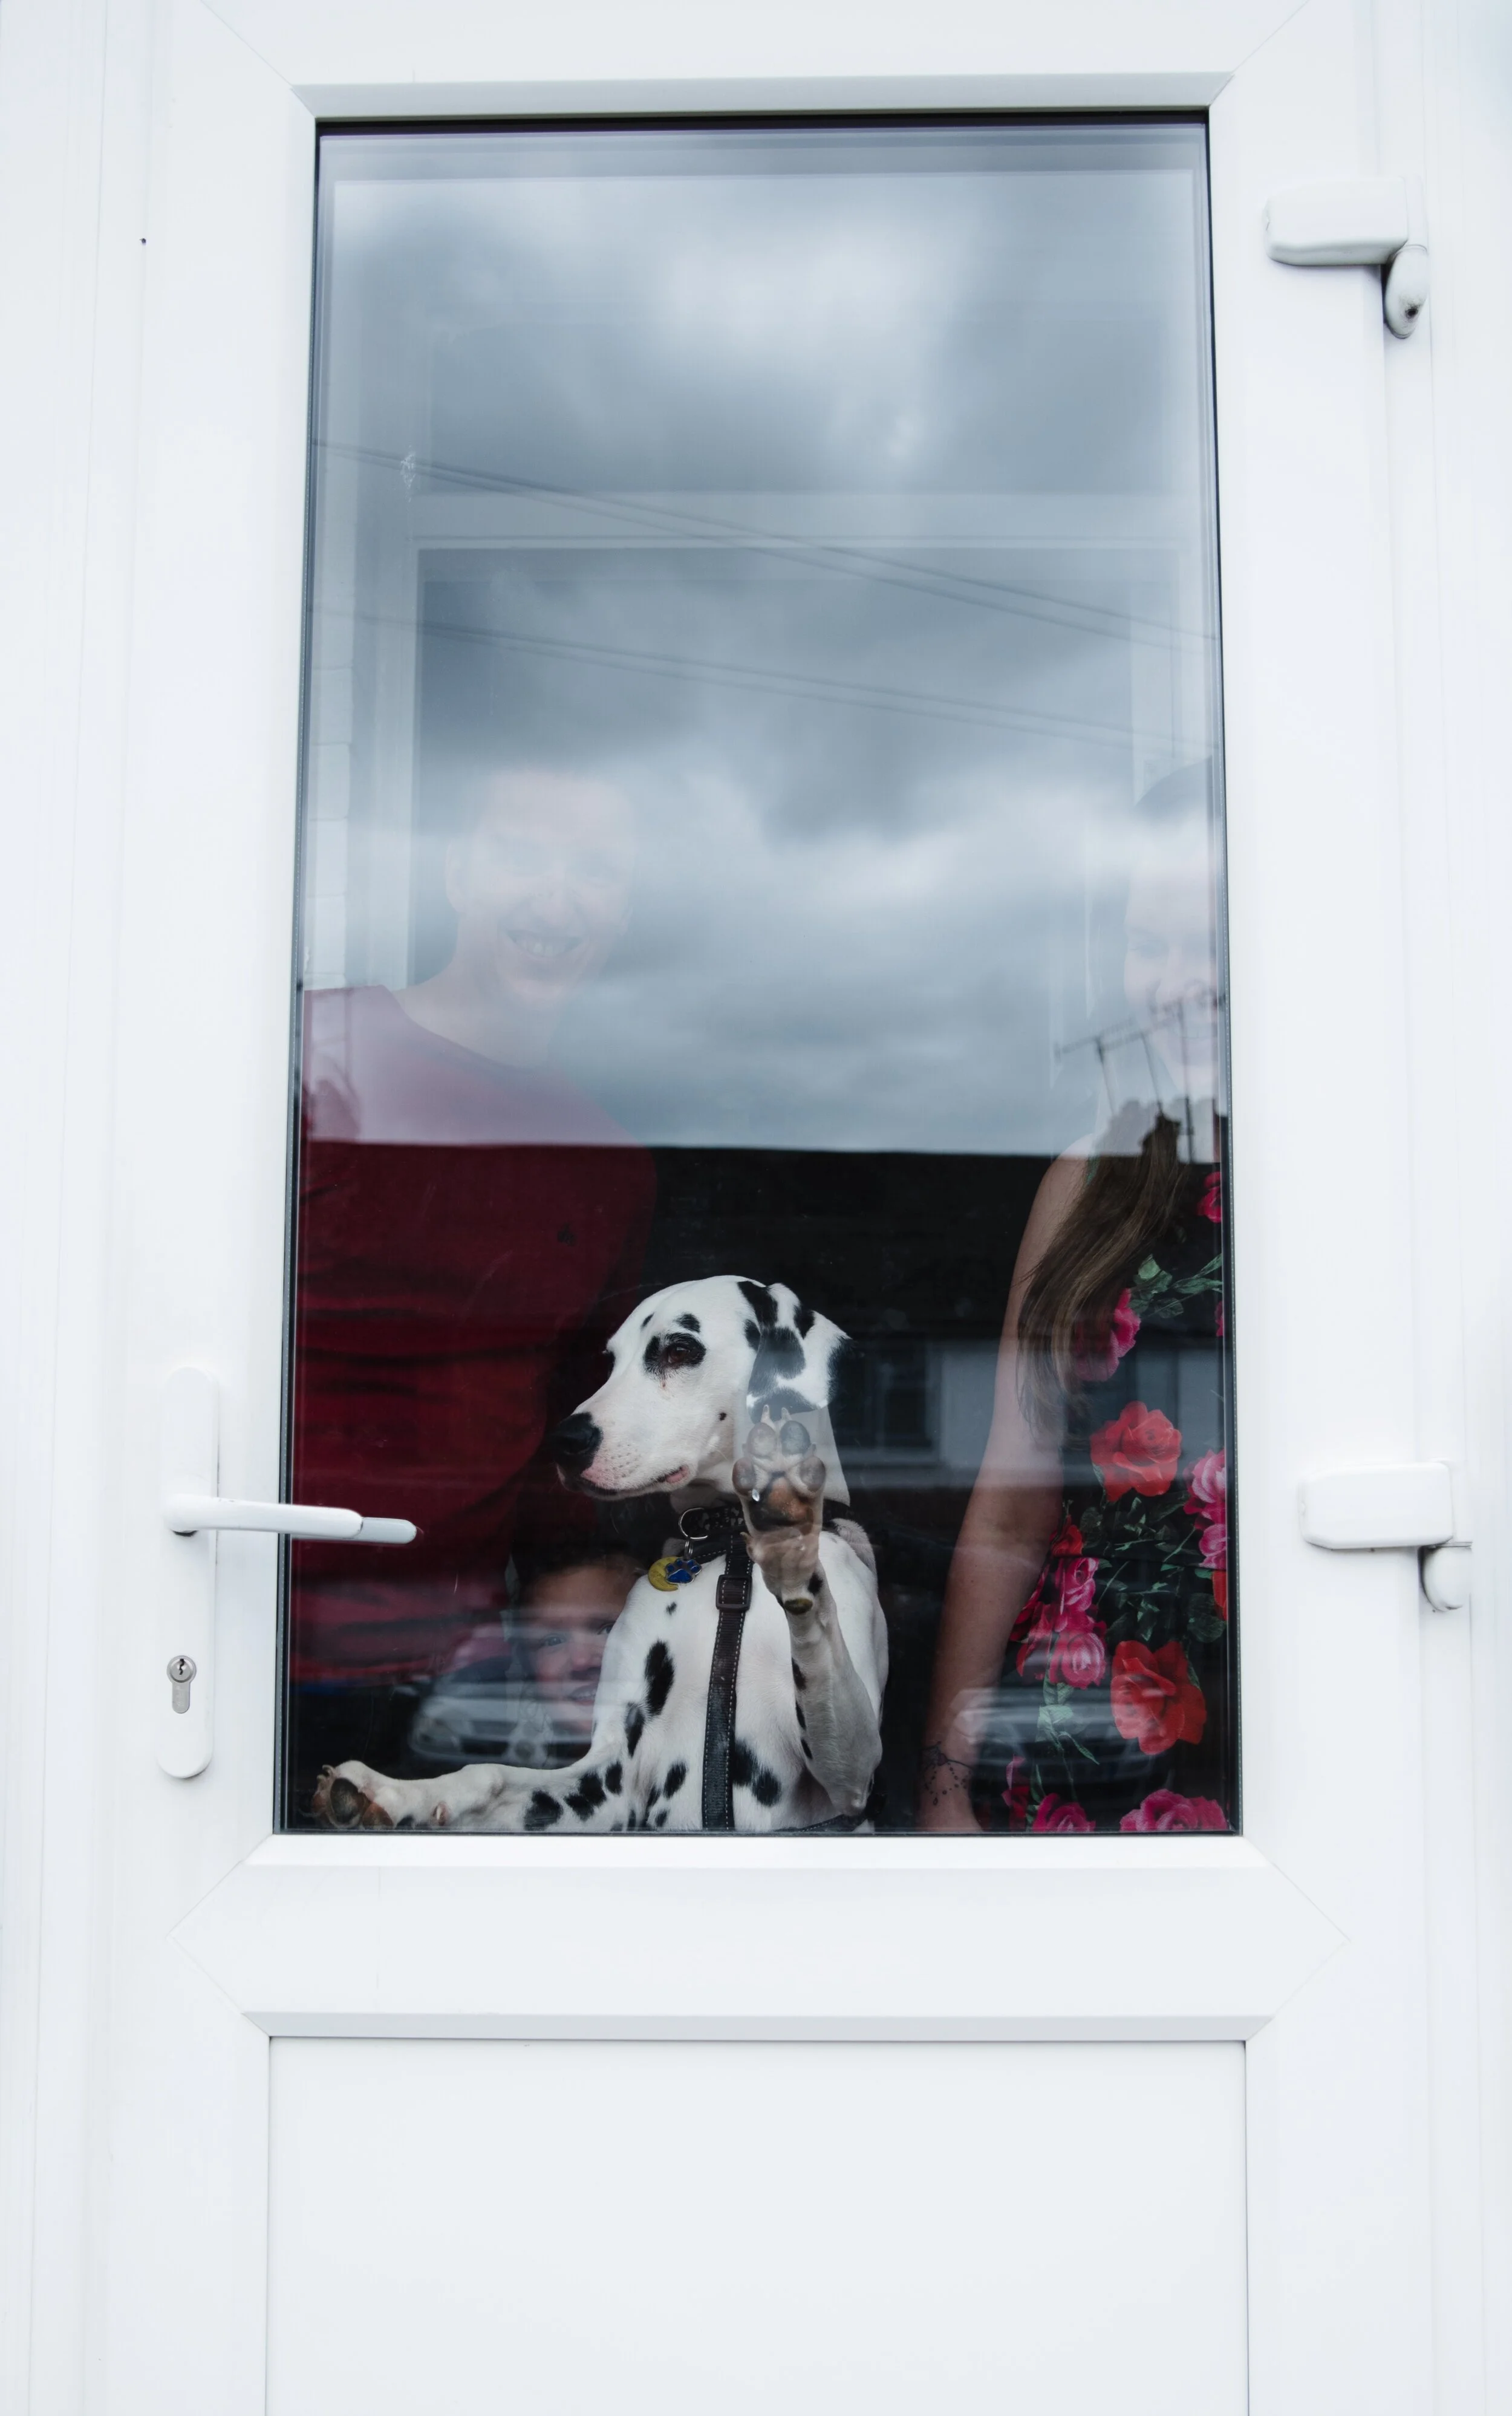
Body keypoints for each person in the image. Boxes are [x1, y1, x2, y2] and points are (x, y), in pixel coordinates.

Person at [287, 766, 654, 1813]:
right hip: (232, 1633)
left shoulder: (608, 1162)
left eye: (594, 871)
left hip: (456, 1681)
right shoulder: (316, 1053)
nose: (557, 897)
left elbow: (570, 1448)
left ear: (621, 910)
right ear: (453, 873)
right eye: (522, 856)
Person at [918, 764, 1232, 1835]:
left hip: (1301, 1735)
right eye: (1151, 943)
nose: (1178, 979)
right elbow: (1011, 1505)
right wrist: (943, 1781)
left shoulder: (1370, 1190)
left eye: (1211, 937)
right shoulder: (1088, 1184)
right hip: (1072, 1751)